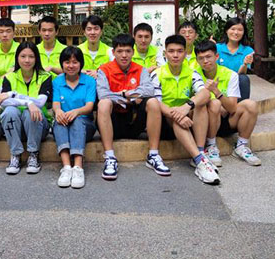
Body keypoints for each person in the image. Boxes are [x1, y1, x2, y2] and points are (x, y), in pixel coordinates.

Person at [96, 34, 169, 181]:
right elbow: (103, 94)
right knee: (103, 103)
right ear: (113, 52)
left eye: (128, 51)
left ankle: (153, 155)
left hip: (135, 121)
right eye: (120, 51)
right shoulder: (104, 70)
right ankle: (110, 157)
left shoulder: (141, 70)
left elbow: (149, 90)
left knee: (153, 102)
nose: (124, 55)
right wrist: (128, 96)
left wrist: (126, 94)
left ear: (133, 52)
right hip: (113, 123)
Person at [151, 35, 219, 185]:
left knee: (201, 103)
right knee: (178, 120)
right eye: (171, 51)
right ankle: (200, 160)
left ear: (185, 53)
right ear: (165, 53)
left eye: (180, 51)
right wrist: (177, 114)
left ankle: (200, 152)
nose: (175, 55)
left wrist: (186, 107)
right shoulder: (157, 74)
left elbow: (205, 93)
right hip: (165, 119)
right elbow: (157, 103)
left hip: (187, 115)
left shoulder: (192, 72)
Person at [195, 41, 261, 166]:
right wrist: (216, 104)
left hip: (227, 120)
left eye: (208, 57)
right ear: (197, 60)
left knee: (251, 105)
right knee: (214, 104)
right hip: (206, 122)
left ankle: (241, 146)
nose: (205, 61)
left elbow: (232, 109)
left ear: (216, 56)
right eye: (201, 58)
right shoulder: (193, 74)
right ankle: (210, 146)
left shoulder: (230, 75)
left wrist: (216, 91)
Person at [0, 42, 52, 175]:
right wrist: (28, 103)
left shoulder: (45, 77)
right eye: (23, 56)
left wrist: (13, 94)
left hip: (39, 127)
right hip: (15, 127)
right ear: (17, 58)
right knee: (9, 111)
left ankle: (33, 154)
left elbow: (40, 102)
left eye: (31, 56)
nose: (27, 60)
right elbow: (2, 102)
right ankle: (15, 154)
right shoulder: (9, 77)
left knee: (30, 113)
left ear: (36, 58)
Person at [52, 46, 96, 189]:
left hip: (85, 125)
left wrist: (76, 112)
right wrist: (58, 111)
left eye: (75, 62)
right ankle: (66, 167)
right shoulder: (57, 81)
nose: (71, 66)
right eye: (67, 62)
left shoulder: (89, 81)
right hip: (64, 124)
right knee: (59, 121)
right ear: (62, 64)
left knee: (77, 120)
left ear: (81, 64)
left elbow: (89, 106)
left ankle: (78, 167)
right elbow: (56, 104)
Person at [216, 17, 254, 100]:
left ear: (244, 32)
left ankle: (241, 106)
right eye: (232, 29)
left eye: (240, 30)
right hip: (219, 82)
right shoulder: (217, 48)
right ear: (226, 30)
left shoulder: (248, 50)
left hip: (236, 83)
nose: (236, 33)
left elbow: (241, 74)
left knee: (243, 79)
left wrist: (245, 64)